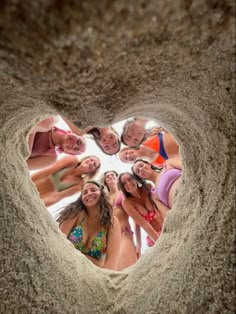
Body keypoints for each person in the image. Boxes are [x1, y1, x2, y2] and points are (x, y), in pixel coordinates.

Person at [56, 181, 121, 269]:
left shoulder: (112, 222)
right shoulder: (74, 212)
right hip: (64, 266)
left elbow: (112, 263)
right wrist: (94, 261)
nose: (89, 194)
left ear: (102, 193)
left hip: (94, 274)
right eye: (85, 192)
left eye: (93, 190)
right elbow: (58, 243)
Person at [31, 155, 100, 207]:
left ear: (93, 171)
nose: (91, 163)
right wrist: (26, 181)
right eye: (91, 159)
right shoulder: (71, 160)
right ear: (85, 159)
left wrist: (37, 206)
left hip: (38, 199)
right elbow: (44, 172)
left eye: (94, 164)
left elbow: (57, 197)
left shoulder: (80, 184)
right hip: (30, 184)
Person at [118, 172, 164, 249]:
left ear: (135, 179)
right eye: (124, 183)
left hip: (166, 225)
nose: (128, 183)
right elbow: (143, 224)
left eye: (130, 179)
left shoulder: (147, 187)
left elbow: (161, 206)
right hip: (154, 236)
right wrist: (160, 243)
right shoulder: (126, 202)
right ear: (122, 187)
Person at [103, 171, 138, 270]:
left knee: (127, 266)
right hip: (108, 237)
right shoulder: (104, 199)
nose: (110, 177)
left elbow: (136, 217)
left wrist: (138, 243)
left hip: (124, 233)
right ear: (105, 181)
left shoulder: (124, 194)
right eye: (107, 176)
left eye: (112, 175)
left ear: (117, 178)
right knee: (112, 269)